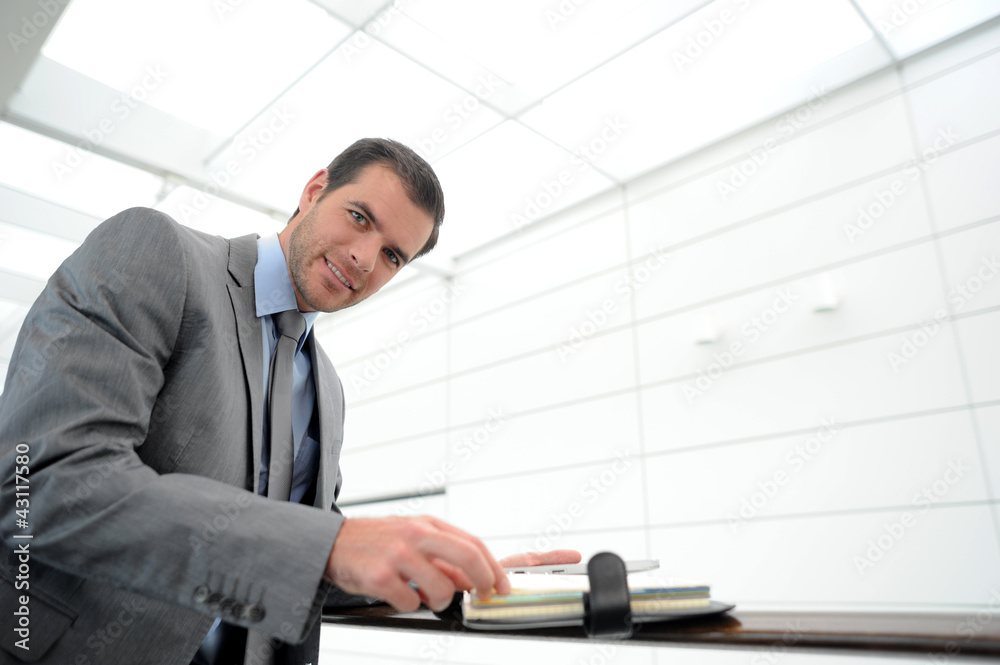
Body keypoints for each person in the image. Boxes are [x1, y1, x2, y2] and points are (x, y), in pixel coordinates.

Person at [0, 138, 579, 665]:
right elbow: (42, 482)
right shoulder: (158, 252)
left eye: (392, 255)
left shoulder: (327, 385)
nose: (364, 258)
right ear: (314, 189)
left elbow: (300, 557)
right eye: (359, 217)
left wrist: (442, 575)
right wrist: (333, 545)